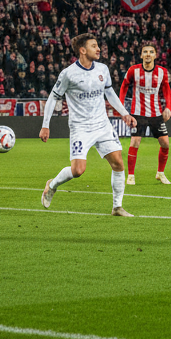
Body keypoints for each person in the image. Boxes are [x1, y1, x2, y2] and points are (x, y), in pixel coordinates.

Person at [39, 33, 138, 215]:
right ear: (82, 50)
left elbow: (109, 93)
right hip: (81, 128)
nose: (98, 49)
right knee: (78, 171)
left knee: (118, 163)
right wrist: (46, 125)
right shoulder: (68, 74)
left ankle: (117, 207)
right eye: (94, 46)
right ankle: (52, 185)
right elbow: (53, 98)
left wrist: (124, 113)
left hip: (102, 125)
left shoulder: (102, 69)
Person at [118, 41, 171, 185]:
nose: (148, 54)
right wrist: (121, 107)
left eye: (151, 52)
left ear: (155, 55)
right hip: (138, 113)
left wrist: (168, 107)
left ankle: (160, 173)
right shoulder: (133, 70)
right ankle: (131, 175)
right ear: (141, 55)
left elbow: (166, 90)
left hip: (156, 113)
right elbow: (124, 87)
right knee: (135, 142)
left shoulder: (162, 72)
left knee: (165, 143)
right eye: (145, 52)